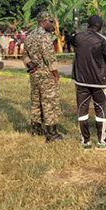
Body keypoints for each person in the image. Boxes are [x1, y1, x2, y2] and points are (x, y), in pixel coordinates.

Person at [71, 15, 106, 150]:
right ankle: (102, 142)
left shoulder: (78, 37)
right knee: (101, 111)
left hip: (81, 81)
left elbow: (72, 40)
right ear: (100, 26)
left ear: (88, 25)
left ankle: (85, 142)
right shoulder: (102, 39)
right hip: (98, 82)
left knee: (82, 111)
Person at [23, 12, 63, 142]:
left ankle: (36, 129)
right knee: (49, 103)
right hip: (46, 74)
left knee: (36, 101)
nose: (52, 25)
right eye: (50, 22)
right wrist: (55, 74)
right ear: (43, 22)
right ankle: (52, 134)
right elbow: (49, 58)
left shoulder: (29, 36)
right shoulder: (45, 37)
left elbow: (25, 55)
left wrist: (30, 64)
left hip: (34, 74)